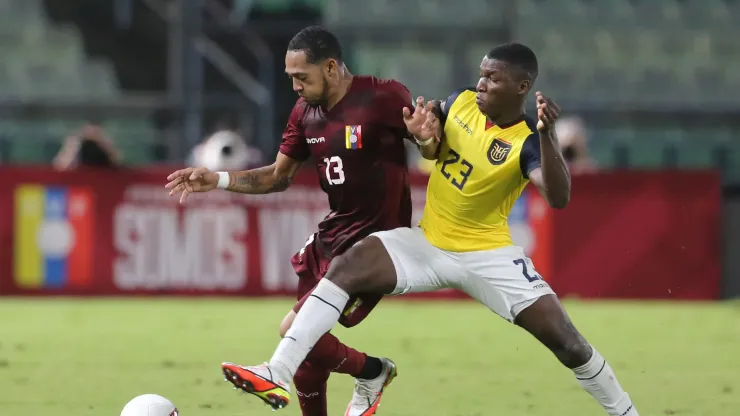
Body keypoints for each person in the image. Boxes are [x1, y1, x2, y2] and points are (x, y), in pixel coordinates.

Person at [204, 43, 640, 416]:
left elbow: (559, 197)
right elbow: (430, 142)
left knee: (568, 344)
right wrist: (425, 136)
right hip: (429, 243)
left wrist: (545, 135)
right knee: (350, 262)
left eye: (493, 78)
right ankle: (277, 370)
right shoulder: (462, 102)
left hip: (487, 255)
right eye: (482, 74)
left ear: (521, 88)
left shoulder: (527, 141)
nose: (482, 83)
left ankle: (626, 411)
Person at [165, 26, 419, 416]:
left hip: (373, 245)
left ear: (331, 67)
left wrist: (433, 141)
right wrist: (215, 179)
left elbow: (435, 142)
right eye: (291, 78)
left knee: (293, 332)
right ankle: (370, 373)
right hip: (332, 235)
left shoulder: (383, 96)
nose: (296, 86)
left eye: (302, 77)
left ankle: (372, 371)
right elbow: (277, 177)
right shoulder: (305, 113)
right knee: (307, 349)